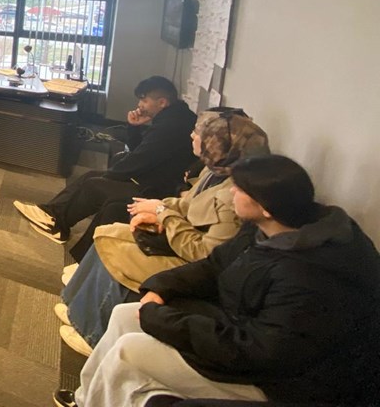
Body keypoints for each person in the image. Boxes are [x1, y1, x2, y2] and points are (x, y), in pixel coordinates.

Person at [54, 155, 380, 407]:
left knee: (129, 352)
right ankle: (86, 399)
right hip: (241, 330)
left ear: (265, 207)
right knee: (124, 314)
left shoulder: (308, 277)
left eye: (240, 189)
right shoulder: (271, 227)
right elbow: (215, 265)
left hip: (277, 383)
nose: (232, 192)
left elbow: (258, 351)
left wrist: (164, 321)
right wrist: (160, 288)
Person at [56, 109, 269, 356]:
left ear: (221, 148)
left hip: (193, 263)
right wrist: (160, 209)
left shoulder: (231, 198)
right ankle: (76, 306)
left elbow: (205, 255)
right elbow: (189, 204)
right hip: (181, 237)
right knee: (109, 231)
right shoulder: (215, 173)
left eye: (201, 134)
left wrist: (163, 215)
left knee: (119, 250)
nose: (193, 136)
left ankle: (91, 333)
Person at [15, 76, 196, 259]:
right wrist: (133, 128)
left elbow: (139, 159)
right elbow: (141, 152)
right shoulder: (174, 117)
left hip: (157, 190)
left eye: (144, 100)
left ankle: (57, 223)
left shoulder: (171, 126)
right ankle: (52, 215)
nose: (140, 105)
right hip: (152, 179)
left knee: (95, 185)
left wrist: (110, 175)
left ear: (162, 102)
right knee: (92, 176)